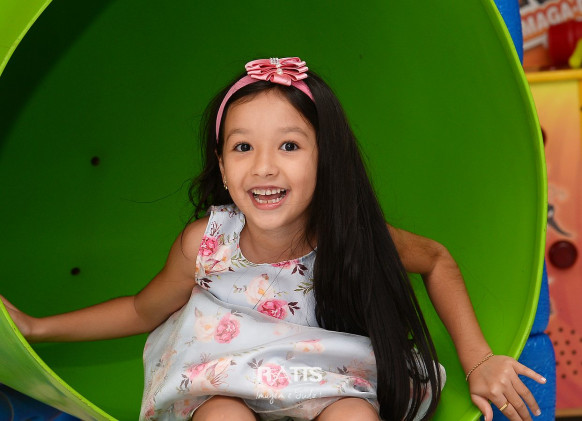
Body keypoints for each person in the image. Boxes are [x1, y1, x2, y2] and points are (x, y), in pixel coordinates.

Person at [1, 57, 545, 421]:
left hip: (326, 380)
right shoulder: (207, 244)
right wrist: (35, 328)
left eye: (289, 146)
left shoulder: (351, 236)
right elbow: (143, 310)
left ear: (325, 160)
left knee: (354, 417)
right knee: (222, 417)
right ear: (221, 165)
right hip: (227, 384)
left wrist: (478, 360)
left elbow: (437, 259)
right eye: (243, 147)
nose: (264, 167)